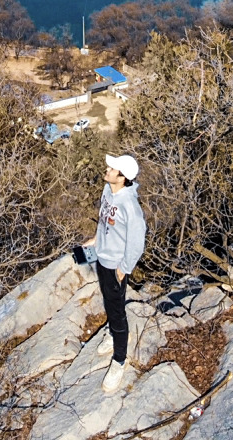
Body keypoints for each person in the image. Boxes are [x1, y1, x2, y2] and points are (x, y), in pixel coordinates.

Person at [85, 154, 146, 395]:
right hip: (102, 256)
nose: (107, 170)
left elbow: (136, 242)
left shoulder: (130, 206)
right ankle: (112, 332)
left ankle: (119, 360)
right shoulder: (108, 191)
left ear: (123, 178)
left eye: (113, 169)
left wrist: (124, 268)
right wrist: (97, 239)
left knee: (116, 311)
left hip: (115, 264)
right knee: (111, 302)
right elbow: (104, 222)